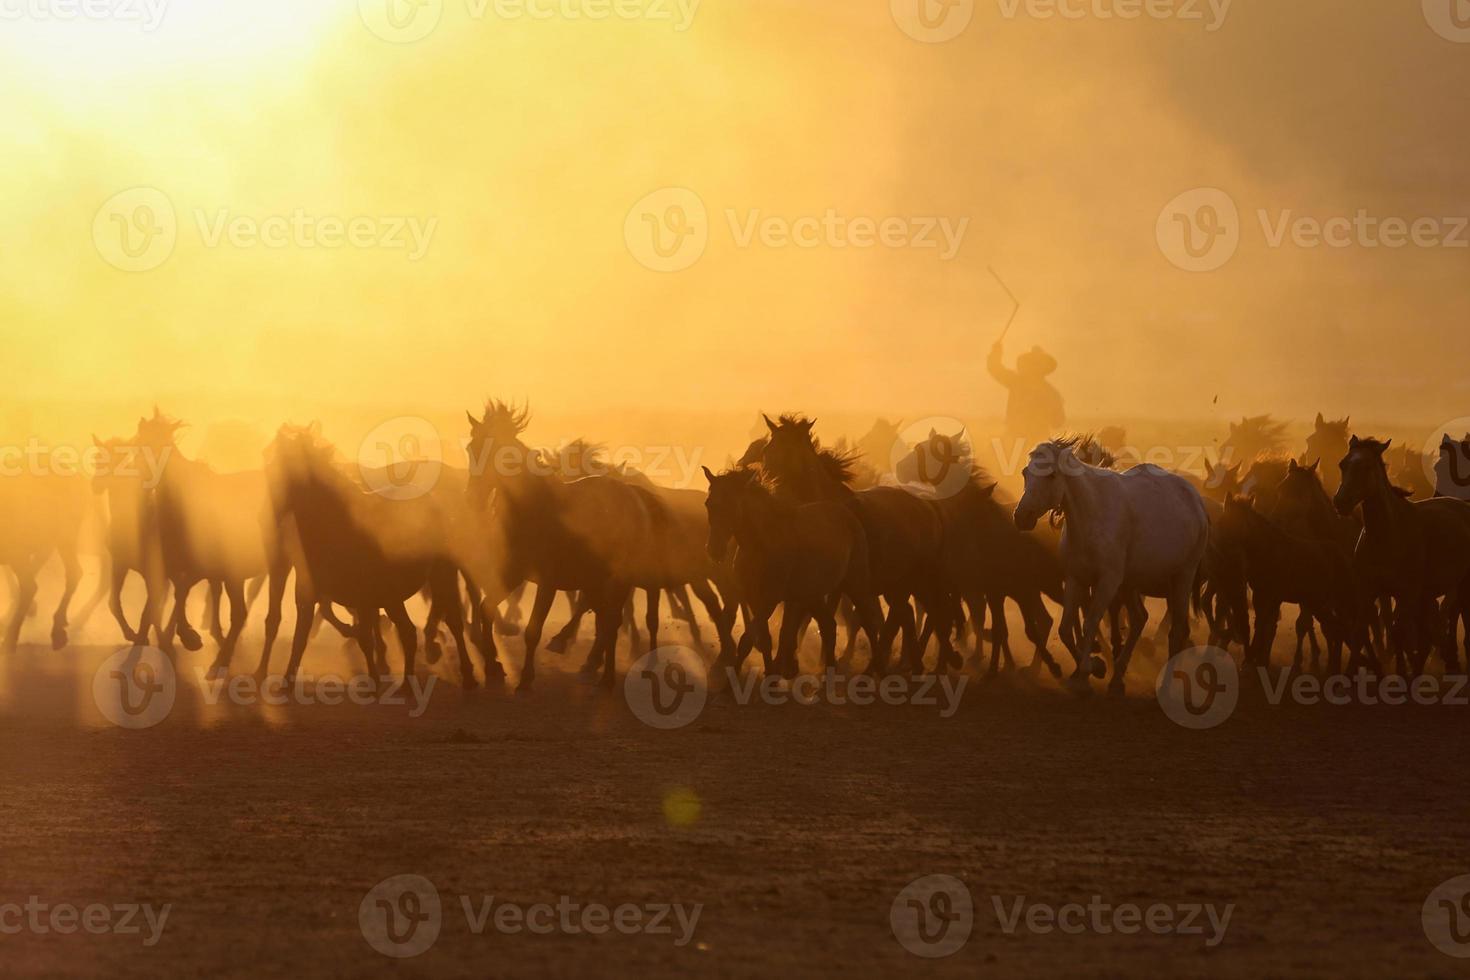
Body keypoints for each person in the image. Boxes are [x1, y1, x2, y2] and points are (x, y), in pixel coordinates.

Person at [987, 340, 1065, 445]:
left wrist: (996, 353)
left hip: (1016, 440)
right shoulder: (1051, 393)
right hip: (1036, 442)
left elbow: (995, 369)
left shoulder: (1016, 382)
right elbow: (1057, 423)